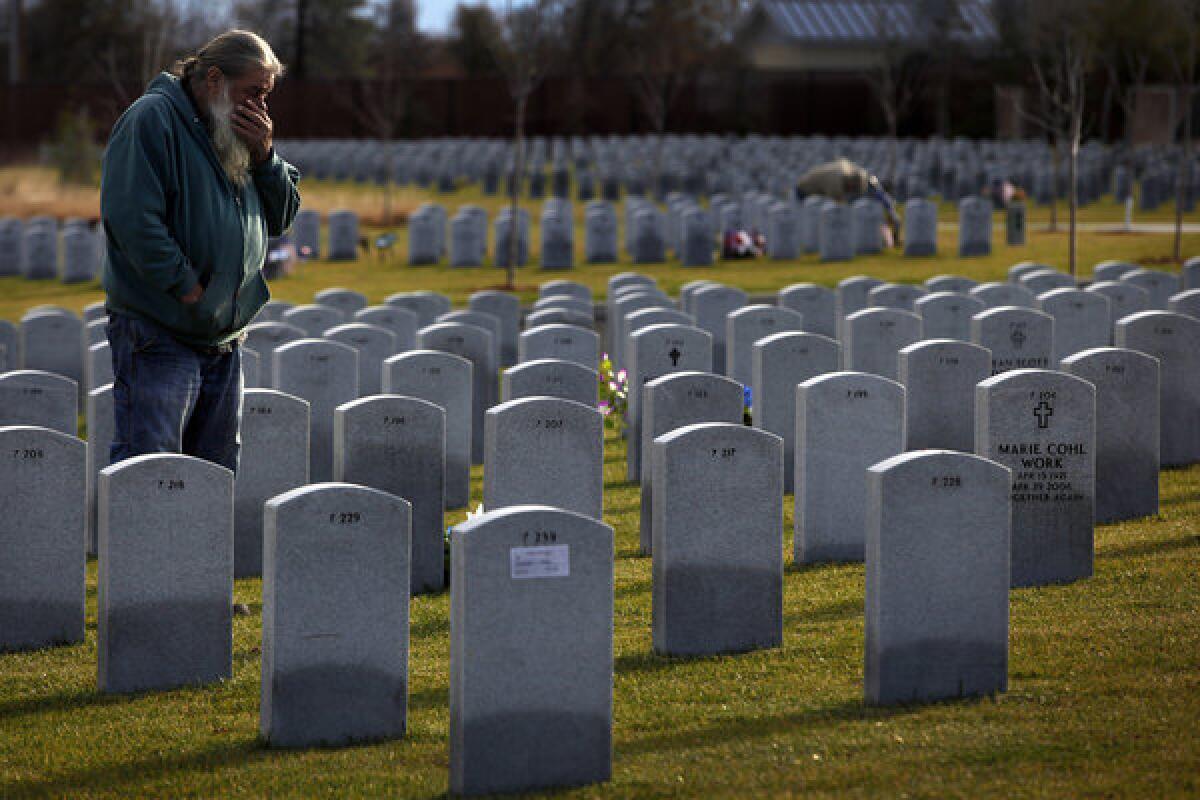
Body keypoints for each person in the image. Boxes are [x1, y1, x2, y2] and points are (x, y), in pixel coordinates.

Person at [100, 30, 300, 474]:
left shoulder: (238, 130)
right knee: (151, 469)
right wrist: (185, 285)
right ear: (214, 79)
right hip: (161, 329)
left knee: (213, 473)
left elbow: (282, 215)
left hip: (223, 337)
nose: (261, 107)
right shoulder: (152, 120)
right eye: (253, 92)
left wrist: (266, 156)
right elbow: (132, 217)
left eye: (266, 95)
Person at [795, 158, 901, 246]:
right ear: (849, 184)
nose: (853, 191)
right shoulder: (834, 183)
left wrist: (890, 212)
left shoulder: (857, 175)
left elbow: (874, 190)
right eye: (852, 189)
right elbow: (837, 207)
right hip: (804, 191)